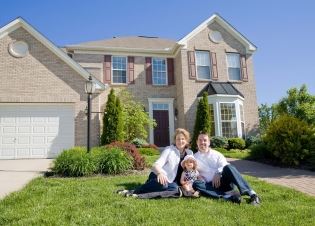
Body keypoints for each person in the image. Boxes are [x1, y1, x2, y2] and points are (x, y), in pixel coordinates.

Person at [117, 128, 193, 198]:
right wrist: (160, 173)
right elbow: (156, 164)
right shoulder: (169, 150)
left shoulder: (190, 153)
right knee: (164, 185)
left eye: (183, 139)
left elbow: (193, 169)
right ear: (175, 141)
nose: (180, 141)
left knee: (175, 188)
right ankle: (135, 191)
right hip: (158, 176)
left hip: (173, 182)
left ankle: (139, 194)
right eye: (178, 139)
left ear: (186, 141)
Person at [193, 132, 261, 206]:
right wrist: (198, 175)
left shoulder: (217, 154)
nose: (202, 142)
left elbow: (225, 164)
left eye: (205, 140)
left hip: (224, 182)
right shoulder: (194, 158)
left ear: (209, 142)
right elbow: (192, 171)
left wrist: (218, 173)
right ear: (197, 142)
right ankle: (229, 197)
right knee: (196, 184)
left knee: (229, 167)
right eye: (200, 140)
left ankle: (252, 194)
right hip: (210, 186)